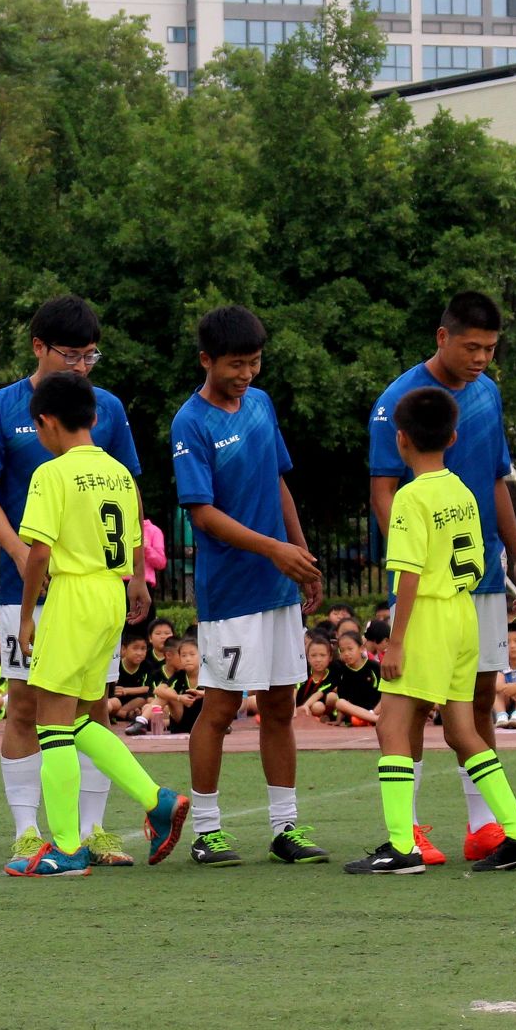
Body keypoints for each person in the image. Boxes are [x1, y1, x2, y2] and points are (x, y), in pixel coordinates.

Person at [0, 295, 144, 865]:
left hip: (88, 585)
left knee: (94, 706)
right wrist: (22, 554)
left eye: (91, 355)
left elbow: (130, 490)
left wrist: (136, 573)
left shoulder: (105, 407)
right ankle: (28, 829)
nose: (82, 366)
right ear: (38, 346)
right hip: (29, 579)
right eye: (71, 354)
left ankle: (92, 832)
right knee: (25, 703)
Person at [367, 292, 516, 866]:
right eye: (473, 347)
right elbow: (381, 490)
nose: (482, 359)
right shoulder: (399, 402)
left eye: (490, 349)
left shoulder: (485, 395)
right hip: (457, 593)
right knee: (449, 718)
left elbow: (498, 479)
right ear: (443, 337)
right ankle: (495, 830)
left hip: (440, 594)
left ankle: (427, 838)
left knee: (406, 714)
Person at [2, 372, 190, 876]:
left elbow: (39, 552)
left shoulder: (51, 473)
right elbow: (135, 535)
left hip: (74, 595)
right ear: (93, 416)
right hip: (110, 595)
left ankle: (66, 849)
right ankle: (156, 799)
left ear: (46, 421)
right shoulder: (119, 473)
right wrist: (137, 581)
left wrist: (26, 614)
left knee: (52, 724)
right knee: (84, 717)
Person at [170, 305, 330, 867]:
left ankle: (286, 828)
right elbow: (203, 514)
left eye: (255, 363)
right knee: (220, 707)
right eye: (235, 364)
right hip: (231, 593)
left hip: (278, 585)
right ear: (206, 360)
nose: (246, 374)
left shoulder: (261, 404)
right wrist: (274, 550)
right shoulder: (190, 422)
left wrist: (301, 554)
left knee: (281, 704)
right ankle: (207, 831)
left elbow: (276, 481)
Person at [327, 631, 382, 727]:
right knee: (340, 703)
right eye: (342, 650)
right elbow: (343, 698)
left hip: (376, 709)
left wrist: (374, 712)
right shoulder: (343, 672)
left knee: (388, 696)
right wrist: (338, 720)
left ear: (361, 648)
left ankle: (372, 718)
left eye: (350, 649)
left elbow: (384, 694)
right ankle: (373, 719)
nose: (346, 654)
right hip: (356, 712)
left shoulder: (374, 666)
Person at [107, 628, 158, 731]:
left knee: (143, 700)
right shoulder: (116, 666)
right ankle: (124, 714)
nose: (139, 653)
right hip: (117, 700)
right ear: (123, 649)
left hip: (135, 701)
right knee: (113, 702)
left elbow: (148, 688)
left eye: (143, 649)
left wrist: (126, 691)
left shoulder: (147, 666)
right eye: (135, 648)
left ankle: (125, 714)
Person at [293, 637, 338, 724]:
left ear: (330, 657)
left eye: (322, 655)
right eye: (313, 655)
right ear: (308, 658)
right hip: (296, 705)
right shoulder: (303, 671)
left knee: (320, 706)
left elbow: (319, 694)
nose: (318, 659)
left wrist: (305, 706)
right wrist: (293, 708)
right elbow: (294, 691)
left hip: (314, 706)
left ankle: (324, 717)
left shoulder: (332, 675)